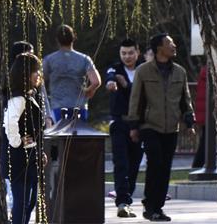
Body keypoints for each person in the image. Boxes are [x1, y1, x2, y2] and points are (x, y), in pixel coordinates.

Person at [127, 33, 195, 222]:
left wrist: (189, 122)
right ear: (159, 48)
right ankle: (150, 206)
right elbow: (136, 99)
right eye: (169, 43)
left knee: (165, 168)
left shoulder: (180, 72)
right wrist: (134, 125)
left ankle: (158, 207)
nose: (174, 45)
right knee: (155, 162)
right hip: (150, 126)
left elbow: (185, 100)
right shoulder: (143, 71)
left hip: (171, 128)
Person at [5, 52, 46, 224]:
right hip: (19, 158)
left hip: (31, 156)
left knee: (30, 202)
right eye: (35, 71)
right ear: (25, 73)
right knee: (21, 202)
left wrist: (39, 150)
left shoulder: (32, 95)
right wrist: (17, 141)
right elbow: (9, 123)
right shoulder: (18, 99)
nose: (38, 74)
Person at [106, 38, 144, 218]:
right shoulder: (115, 69)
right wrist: (112, 83)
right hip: (119, 123)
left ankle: (128, 198)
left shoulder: (144, 70)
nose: (127, 57)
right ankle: (122, 202)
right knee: (121, 163)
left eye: (130, 53)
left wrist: (127, 86)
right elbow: (109, 78)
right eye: (124, 53)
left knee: (134, 164)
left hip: (140, 123)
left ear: (138, 53)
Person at [42, 25, 101, 121]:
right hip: (79, 107)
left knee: (59, 135)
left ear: (57, 40)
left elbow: (40, 81)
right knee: (78, 135)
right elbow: (96, 81)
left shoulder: (49, 59)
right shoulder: (84, 59)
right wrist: (88, 91)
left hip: (58, 107)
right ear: (73, 38)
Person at [191, 64, 207, 169]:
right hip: (208, 114)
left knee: (205, 141)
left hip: (205, 113)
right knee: (206, 142)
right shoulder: (207, 74)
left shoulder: (205, 73)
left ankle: (198, 164)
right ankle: (198, 164)